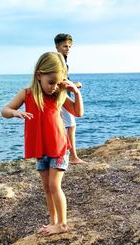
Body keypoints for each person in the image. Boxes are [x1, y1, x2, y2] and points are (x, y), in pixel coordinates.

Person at [1, 52, 84, 236]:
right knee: (47, 188)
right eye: (51, 82)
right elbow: (5, 110)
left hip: (59, 148)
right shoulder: (27, 94)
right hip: (41, 149)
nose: (54, 87)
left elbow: (78, 112)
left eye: (58, 82)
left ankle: (62, 224)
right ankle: (53, 221)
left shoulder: (58, 95)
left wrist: (76, 93)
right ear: (39, 74)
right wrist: (15, 113)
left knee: (55, 185)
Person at [54, 33, 86, 164]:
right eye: (64, 46)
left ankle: (63, 154)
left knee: (63, 126)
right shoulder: (58, 62)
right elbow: (60, 81)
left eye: (69, 46)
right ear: (57, 47)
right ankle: (73, 157)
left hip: (63, 95)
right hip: (61, 96)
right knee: (71, 125)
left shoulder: (63, 61)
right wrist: (76, 85)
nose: (68, 49)